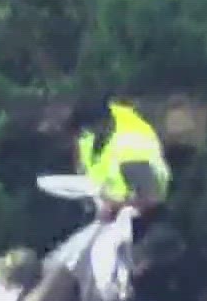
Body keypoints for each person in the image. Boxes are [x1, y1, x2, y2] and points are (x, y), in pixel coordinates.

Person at [67, 95, 170, 228]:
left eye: (87, 130)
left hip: (142, 223)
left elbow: (152, 199)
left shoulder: (131, 146)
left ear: (103, 123)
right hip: (101, 217)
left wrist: (117, 207)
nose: (83, 136)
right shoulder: (91, 138)